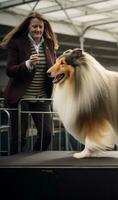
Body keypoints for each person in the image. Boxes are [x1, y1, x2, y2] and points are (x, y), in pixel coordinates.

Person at [0, 11, 58, 154]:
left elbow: (54, 67)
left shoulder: (49, 44)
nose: (38, 30)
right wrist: (27, 64)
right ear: (28, 27)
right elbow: (10, 71)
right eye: (34, 27)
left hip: (41, 97)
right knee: (19, 138)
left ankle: (33, 162)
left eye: (40, 27)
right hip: (20, 98)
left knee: (47, 134)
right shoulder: (17, 43)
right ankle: (15, 167)